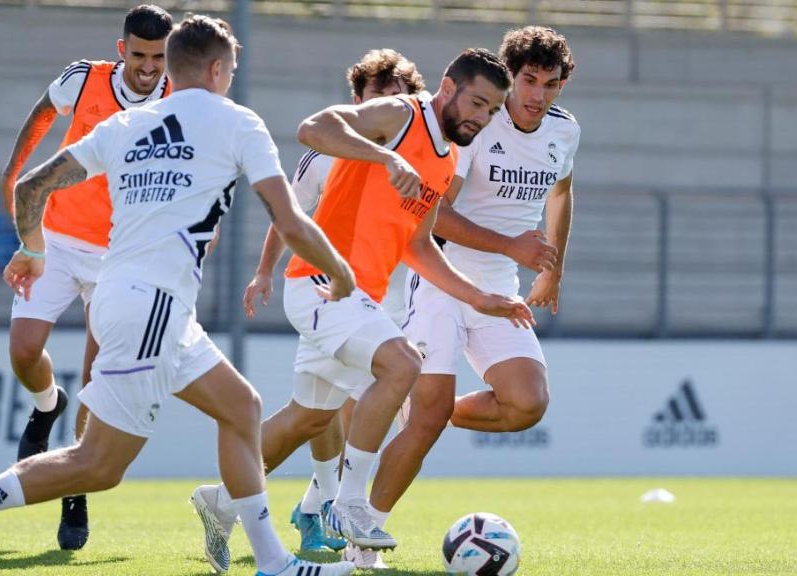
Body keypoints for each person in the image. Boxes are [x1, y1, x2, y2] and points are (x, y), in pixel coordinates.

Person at [0, 15, 358, 576]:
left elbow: (31, 185)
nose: (231, 79)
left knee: (242, 408)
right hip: (152, 307)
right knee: (98, 466)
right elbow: (289, 220)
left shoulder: (128, 123)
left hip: (134, 299)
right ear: (217, 70)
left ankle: (272, 562)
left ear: (173, 67)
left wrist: (33, 248)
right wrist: (340, 271)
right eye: (231, 70)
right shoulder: (238, 122)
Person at [191, 48, 533, 573]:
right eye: (477, 103)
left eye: (491, 111)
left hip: (357, 297)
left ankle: (219, 499)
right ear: (448, 87)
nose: (481, 118)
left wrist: (479, 297)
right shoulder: (401, 113)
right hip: (322, 284)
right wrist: (386, 157)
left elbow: (417, 245)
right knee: (403, 363)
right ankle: (349, 504)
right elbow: (312, 128)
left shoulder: (445, 159)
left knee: (308, 417)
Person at [370, 26, 580, 535]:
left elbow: (561, 193)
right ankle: (364, 537)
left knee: (527, 403)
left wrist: (552, 269)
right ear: (510, 77)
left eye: (551, 84)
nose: (538, 95)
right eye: (529, 80)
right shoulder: (477, 125)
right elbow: (433, 216)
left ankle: (424, 407)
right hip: (441, 279)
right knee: (427, 422)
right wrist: (511, 245)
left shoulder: (565, 130)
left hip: (500, 285)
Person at [0, 4, 173, 551]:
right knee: (24, 351)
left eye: (158, 57)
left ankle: (74, 494)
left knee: (97, 381)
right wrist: (14, 171)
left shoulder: (179, 99)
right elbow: (43, 113)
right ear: (122, 50)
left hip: (121, 255)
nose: (148, 67)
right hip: (56, 238)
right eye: (139, 55)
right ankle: (47, 405)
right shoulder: (85, 77)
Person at [242, 48, 424, 568]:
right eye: (376, 95)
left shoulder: (417, 156)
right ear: (357, 99)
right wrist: (264, 272)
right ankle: (342, 518)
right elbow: (289, 215)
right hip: (333, 295)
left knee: (315, 414)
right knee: (357, 404)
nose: (386, 104)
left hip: (389, 299)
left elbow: (422, 232)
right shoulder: (325, 153)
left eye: (397, 96)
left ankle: (242, 500)